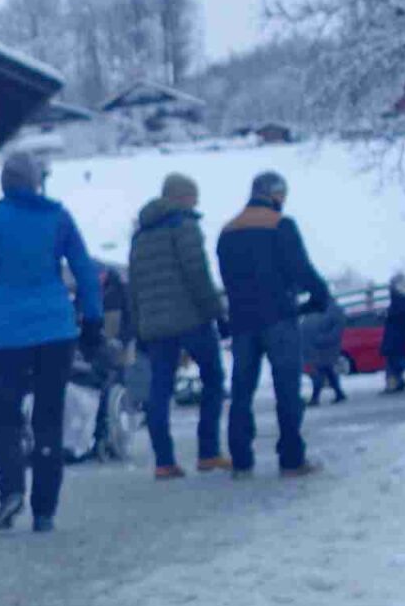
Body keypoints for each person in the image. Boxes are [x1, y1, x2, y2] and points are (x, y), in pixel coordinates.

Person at [0, 149, 100, 533]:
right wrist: (92, 321)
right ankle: (44, 508)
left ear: (5, 184)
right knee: (49, 418)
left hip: (5, 334)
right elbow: (85, 272)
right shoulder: (59, 218)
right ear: (36, 182)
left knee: (5, 417)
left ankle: (10, 490)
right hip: (55, 330)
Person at [216, 170, 333, 478]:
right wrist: (320, 295)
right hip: (279, 317)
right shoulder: (281, 224)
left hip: (242, 321)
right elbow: (300, 268)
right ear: (275, 194)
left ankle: (241, 461)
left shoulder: (227, 230)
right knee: (287, 388)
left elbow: (226, 278)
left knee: (242, 391)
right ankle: (291, 460)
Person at [126, 174, 227, 480]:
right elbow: (197, 274)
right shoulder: (184, 226)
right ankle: (208, 452)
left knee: (159, 389)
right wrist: (216, 312)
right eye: (193, 197)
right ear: (181, 197)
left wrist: (139, 326)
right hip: (191, 319)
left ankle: (164, 461)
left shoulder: (140, 234)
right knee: (213, 378)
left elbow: (134, 287)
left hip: (155, 326)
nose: (196, 203)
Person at [304, 295, 349, 406]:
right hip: (316, 347)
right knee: (327, 370)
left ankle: (315, 397)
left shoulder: (334, 311)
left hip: (325, 348)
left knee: (319, 371)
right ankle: (339, 393)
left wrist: (322, 339)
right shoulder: (319, 309)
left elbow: (337, 331)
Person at [380, 282, 405, 392]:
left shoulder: (397, 304)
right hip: (399, 337)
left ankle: (398, 383)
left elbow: (395, 319)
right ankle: (396, 383)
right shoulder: (403, 302)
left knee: (396, 361)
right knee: (395, 362)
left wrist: (387, 315)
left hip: (395, 337)